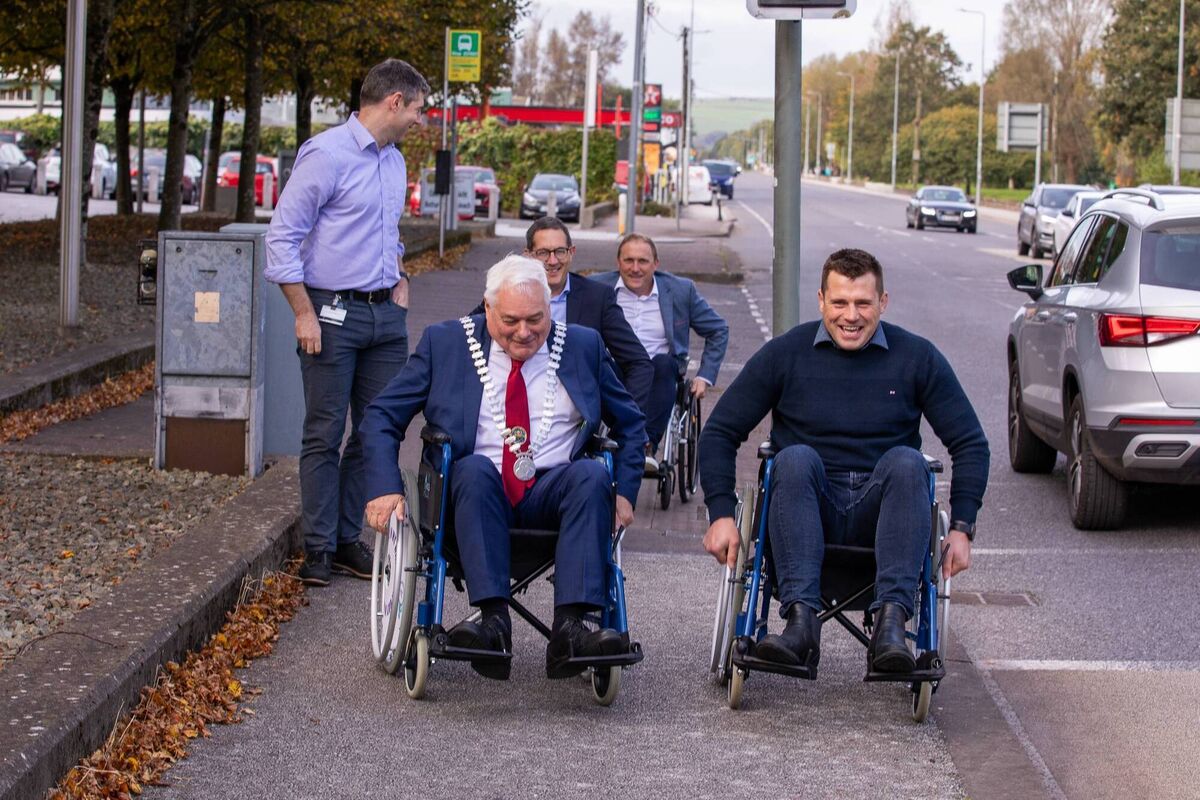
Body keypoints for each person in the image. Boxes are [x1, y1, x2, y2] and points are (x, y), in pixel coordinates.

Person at [699, 248, 989, 673]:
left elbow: (971, 443)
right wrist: (721, 514)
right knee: (793, 459)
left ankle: (891, 626)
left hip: (885, 517)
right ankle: (800, 626)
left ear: (882, 303)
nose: (850, 316)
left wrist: (962, 528)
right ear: (821, 300)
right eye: (839, 303)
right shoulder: (786, 354)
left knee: (910, 462)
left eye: (862, 303)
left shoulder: (917, 357)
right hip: (803, 510)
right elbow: (720, 431)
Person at [361, 255, 647, 681]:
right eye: (511, 320)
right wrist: (385, 487)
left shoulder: (583, 345)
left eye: (535, 319)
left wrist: (624, 491)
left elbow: (631, 423)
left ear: (549, 308)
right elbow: (381, 417)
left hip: (554, 492)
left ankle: (570, 629)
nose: (524, 332)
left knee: (592, 475)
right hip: (472, 498)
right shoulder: (446, 343)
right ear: (488, 307)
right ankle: (493, 623)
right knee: (475, 469)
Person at [265, 58, 429, 587]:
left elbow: (383, 230)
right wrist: (303, 311)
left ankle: (343, 540)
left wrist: (400, 273)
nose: (420, 121)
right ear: (394, 102)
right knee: (324, 433)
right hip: (330, 315)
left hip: (385, 317)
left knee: (376, 431)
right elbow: (282, 239)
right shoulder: (326, 154)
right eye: (418, 110)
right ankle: (316, 548)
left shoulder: (394, 161)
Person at [470, 217, 654, 413]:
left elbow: (638, 363)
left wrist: (625, 421)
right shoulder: (506, 294)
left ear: (571, 252)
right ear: (528, 256)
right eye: (543, 253)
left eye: (560, 251)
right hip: (510, 397)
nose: (552, 260)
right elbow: (466, 339)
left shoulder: (597, 298)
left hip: (574, 409)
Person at [593, 233, 728, 472]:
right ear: (618, 262)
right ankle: (618, 440)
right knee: (599, 365)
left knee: (666, 364)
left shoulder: (680, 290)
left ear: (656, 264)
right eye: (629, 260)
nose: (635, 268)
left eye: (643, 261)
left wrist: (704, 376)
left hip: (659, 374)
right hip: (613, 370)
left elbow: (718, 329)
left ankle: (646, 445)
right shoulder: (597, 287)